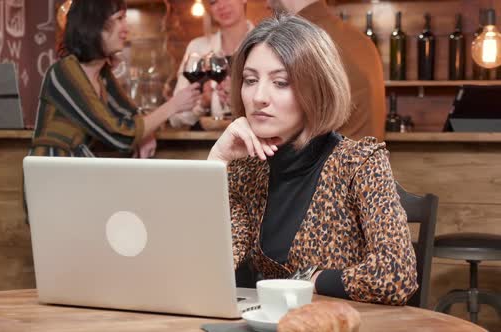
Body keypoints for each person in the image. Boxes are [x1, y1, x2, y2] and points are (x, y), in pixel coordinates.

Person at [208, 16, 417, 305]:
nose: (258, 97)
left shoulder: (358, 163)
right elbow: (206, 265)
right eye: (250, 80)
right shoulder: (247, 168)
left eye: (280, 82)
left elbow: (397, 275)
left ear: (316, 90)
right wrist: (216, 161)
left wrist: (308, 279)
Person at [29, 0, 200, 158]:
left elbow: (131, 114)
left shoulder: (100, 72)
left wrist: (147, 134)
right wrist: (173, 106)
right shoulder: (64, 72)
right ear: (94, 25)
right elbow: (118, 136)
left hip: (75, 173)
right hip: (51, 175)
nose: (126, 29)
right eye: (119, 18)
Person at [266, 0, 386, 141]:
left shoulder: (300, 41)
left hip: (331, 161)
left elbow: (283, 134)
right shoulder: (360, 40)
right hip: (362, 159)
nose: (267, 4)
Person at [169, 0, 253, 129]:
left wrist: (238, 101)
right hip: (205, 146)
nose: (222, 6)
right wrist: (203, 104)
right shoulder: (197, 48)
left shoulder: (263, 45)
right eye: (213, 2)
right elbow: (175, 118)